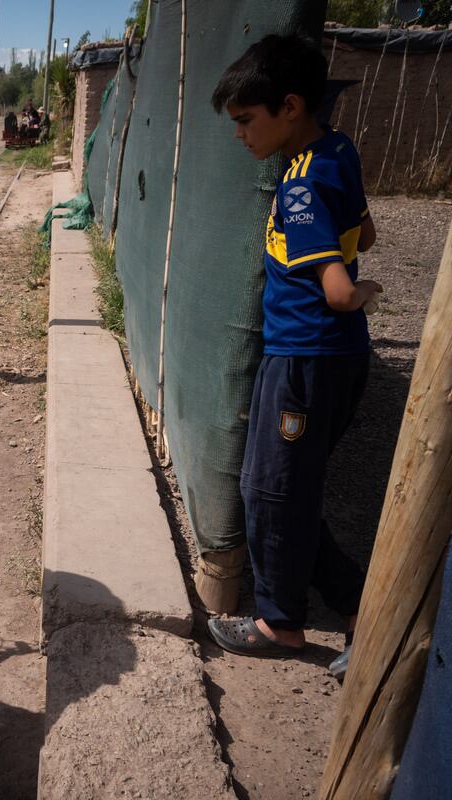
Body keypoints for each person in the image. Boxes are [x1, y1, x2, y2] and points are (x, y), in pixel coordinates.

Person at [205, 34, 381, 681]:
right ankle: (361, 609)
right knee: (286, 491)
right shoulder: (335, 152)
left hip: (304, 358)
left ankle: (281, 621)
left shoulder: (300, 185)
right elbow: (367, 231)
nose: (240, 135)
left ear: (290, 106)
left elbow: (338, 291)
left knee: (272, 492)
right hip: (329, 360)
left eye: (247, 120)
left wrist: (361, 291)